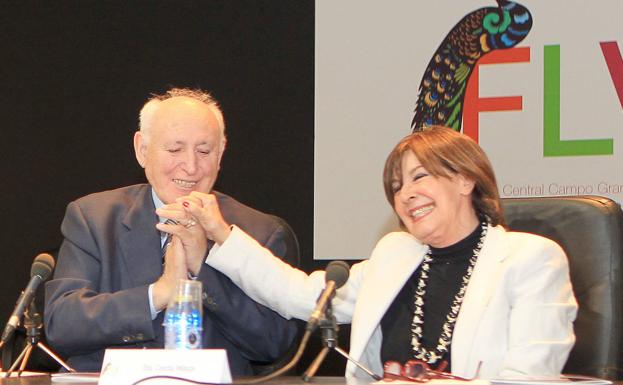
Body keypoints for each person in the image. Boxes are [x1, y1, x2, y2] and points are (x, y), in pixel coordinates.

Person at [166, 126, 578, 379]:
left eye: (420, 176)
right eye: (396, 186)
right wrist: (221, 233)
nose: (406, 194)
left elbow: (531, 378)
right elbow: (299, 294)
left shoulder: (530, 259)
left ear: (466, 179)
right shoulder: (396, 254)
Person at [44, 87, 301, 374]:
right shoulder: (94, 218)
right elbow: (62, 323)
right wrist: (158, 294)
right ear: (142, 150)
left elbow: (273, 343)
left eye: (204, 151)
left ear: (221, 153)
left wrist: (202, 268)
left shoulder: (260, 232)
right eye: (175, 149)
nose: (190, 166)